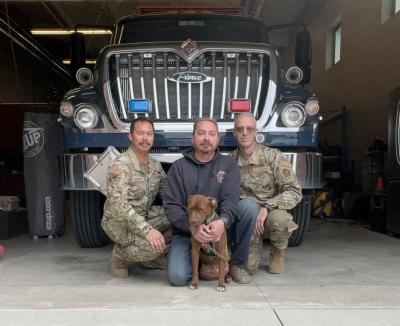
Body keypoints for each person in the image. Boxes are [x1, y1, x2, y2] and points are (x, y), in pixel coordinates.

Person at [163, 118, 240, 286]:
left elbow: (231, 199)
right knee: (177, 277)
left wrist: (222, 222)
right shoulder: (178, 167)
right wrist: (191, 227)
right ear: (193, 137)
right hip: (186, 232)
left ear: (218, 139)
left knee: (248, 208)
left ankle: (232, 261)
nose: (206, 138)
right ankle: (198, 264)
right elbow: (171, 206)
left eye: (211, 134)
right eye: (201, 133)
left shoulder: (228, 164)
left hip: (217, 231)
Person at [230, 112, 302, 283]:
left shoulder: (273, 156)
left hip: (269, 214)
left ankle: (277, 251)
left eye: (250, 129)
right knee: (249, 269)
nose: (245, 133)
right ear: (234, 133)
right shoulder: (229, 161)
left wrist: (267, 206)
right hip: (247, 218)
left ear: (256, 132)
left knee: (280, 219)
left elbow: (294, 190)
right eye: (240, 129)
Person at [101, 116, 170, 278]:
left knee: (179, 218)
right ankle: (120, 254)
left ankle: (150, 259)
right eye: (140, 133)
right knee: (151, 247)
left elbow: (168, 195)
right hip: (119, 223)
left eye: (149, 134)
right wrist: (148, 231)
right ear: (131, 136)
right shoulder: (120, 166)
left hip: (143, 216)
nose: (145, 139)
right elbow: (118, 206)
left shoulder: (155, 166)